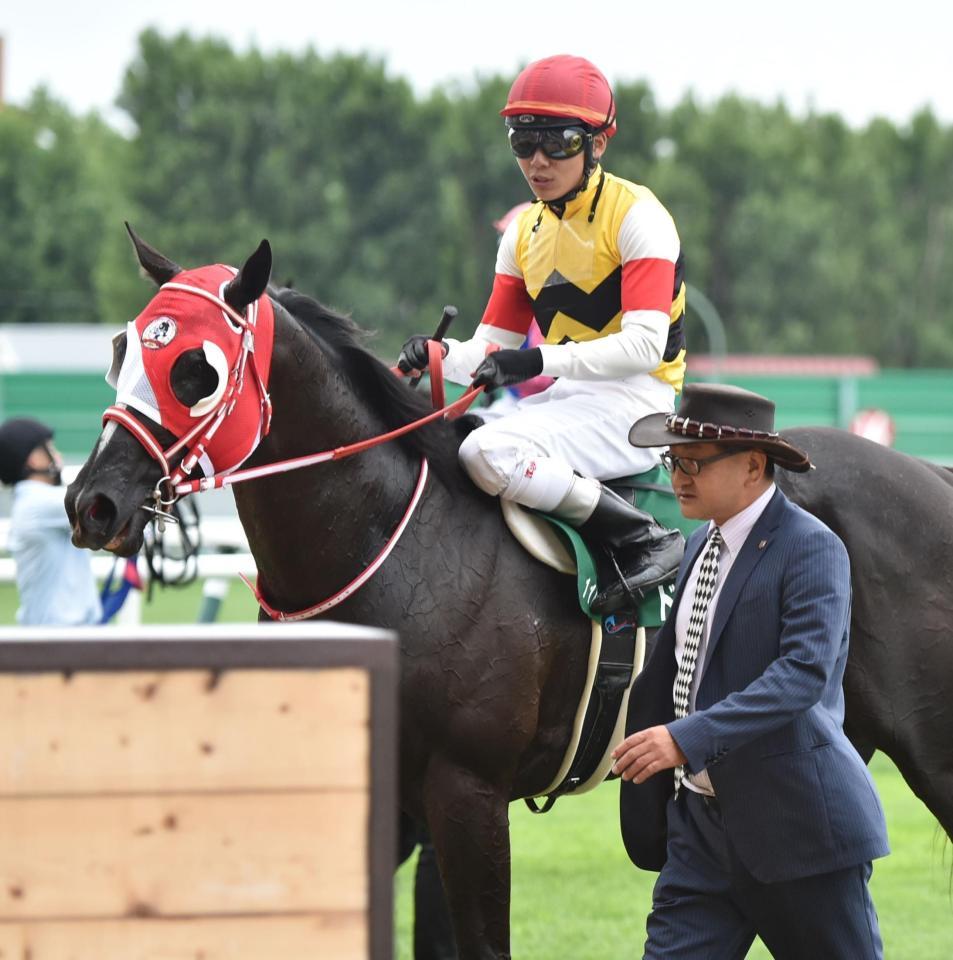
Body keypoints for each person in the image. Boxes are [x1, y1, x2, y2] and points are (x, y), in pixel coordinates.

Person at [399, 54, 686, 613]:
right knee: (447, 445)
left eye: (557, 143)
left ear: (597, 144)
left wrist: (538, 363)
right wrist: (440, 354)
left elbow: (645, 347)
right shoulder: (522, 233)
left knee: (488, 448)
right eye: (522, 143)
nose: (537, 161)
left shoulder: (638, 216)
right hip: (568, 402)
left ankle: (640, 537)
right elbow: (492, 350)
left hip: (638, 402)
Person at [612, 383, 889, 959]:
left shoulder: (814, 547)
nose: (677, 476)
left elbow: (802, 675)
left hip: (800, 832)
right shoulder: (697, 545)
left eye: (694, 463)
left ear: (752, 466)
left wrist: (684, 738)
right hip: (700, 834)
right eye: (673, 461)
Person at [0, 417, 102, 626]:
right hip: (59, 643)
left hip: (62, 639)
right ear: (34, 460)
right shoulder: (39, 504)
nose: (58, 455)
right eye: (50, 448)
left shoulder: (34, 503)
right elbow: (100, 501)